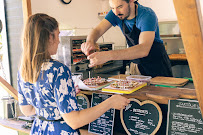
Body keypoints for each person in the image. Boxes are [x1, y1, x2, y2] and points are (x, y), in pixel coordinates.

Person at [17, 13, 130, 135]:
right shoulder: (58, 69)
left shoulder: (24, 69)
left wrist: (62, 97)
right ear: (50, 37)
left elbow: (27, 110)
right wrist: (110, 103)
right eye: (57, 35)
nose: (59, 41)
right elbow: (74, 121)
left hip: (39, 130)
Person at [81, 0, 173, 77]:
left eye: (120, 6)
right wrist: (90, 42)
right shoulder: (116, 13)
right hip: (136, 65)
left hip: (157, 65)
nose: (116, 12)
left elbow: (143, 49)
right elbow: (97, 30)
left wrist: (107, 56)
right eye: (112, 8)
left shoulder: (147, 15)